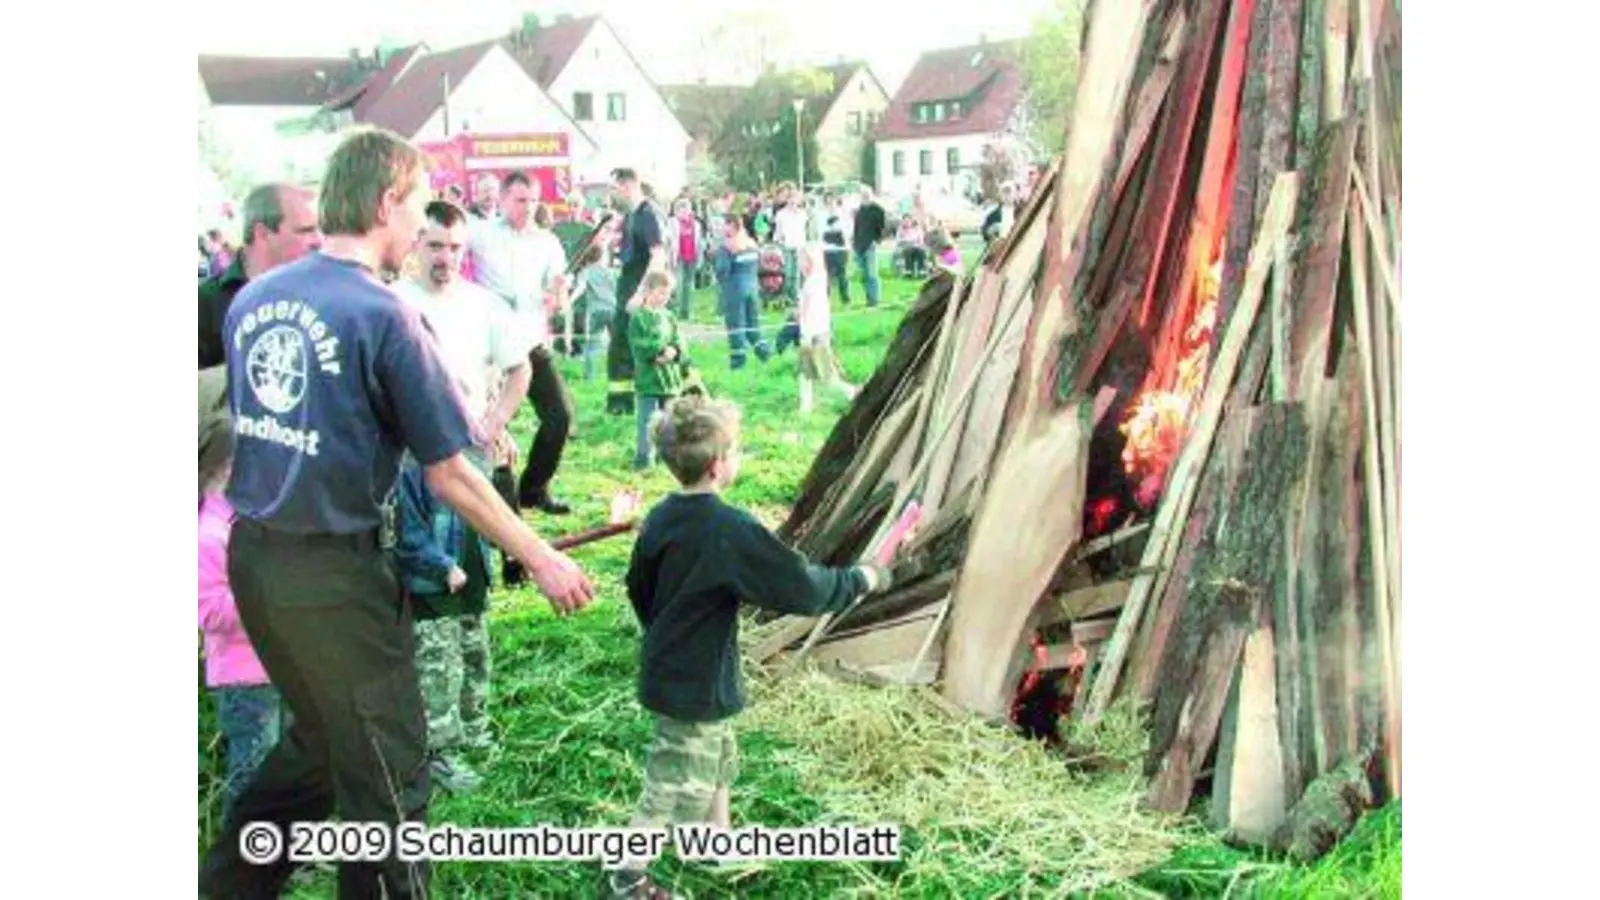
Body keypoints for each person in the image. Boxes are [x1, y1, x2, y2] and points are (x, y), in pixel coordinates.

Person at [198, 127, 595, 900]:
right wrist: (540, 556)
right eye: (416, 210)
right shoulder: (385, 316)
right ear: (387, 203)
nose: (422, 232)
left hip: (256, 561)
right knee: (389, 779)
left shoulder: (254, 298)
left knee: (318, 748)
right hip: (334, 577)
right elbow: (451, 471)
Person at [607, 395, 895, 899]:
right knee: (673, 779)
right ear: (719, 466)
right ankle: (627, 877)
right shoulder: (729, 528)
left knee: (717, 754)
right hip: (689, 680)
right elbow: (801, 587)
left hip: (683, 666)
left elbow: (637, 586)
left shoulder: (661, 517)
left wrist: (667, 632)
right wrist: (862, 579)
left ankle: (714, 844)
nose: (738, 457)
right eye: (736, 450)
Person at [468, 171, 575, 515]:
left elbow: (559, 299)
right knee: (498, 429)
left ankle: (534, 488)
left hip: (530, 340)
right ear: (502, 200)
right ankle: (503, 506)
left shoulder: (548, 243)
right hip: (490, 347)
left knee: (559, 415)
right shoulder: (481, 235)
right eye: (519, 200)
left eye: (532, 201)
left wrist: (558, 292)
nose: (527, 208)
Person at [199, 424, 284, 823]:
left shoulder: (243, 516)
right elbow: (210, 611)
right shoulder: (206, 533)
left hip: (274, 666)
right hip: (242, 678)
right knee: (253, 775)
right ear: (227, 466)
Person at [607, 167, 667, 416]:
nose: (612, 194)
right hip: (628, 281)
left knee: (644, 344)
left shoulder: (647, 213)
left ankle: (657, 400)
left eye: (614, 188)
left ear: (628, 185)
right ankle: (621, 403)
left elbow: (658, 255)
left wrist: (642, 294)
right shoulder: (631, 215)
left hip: (640, 285)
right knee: (621, 344)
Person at [628, 271, 689, 471]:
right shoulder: (639, 318)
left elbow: (679, 340)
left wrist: (675, 350)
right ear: (648, 291)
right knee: (647, 421)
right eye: (660, 293)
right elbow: (639, 344)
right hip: (648, 379)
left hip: (670, 380)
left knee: (669, 422)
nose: (664, 298)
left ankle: (668, 458)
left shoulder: (669, 317)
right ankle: (644, 459)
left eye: (667, 294)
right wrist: (658, 351)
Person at [796, 243, 857, 413]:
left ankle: (852, 392)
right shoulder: (816, 278)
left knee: (827, 375)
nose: (800, 264)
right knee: (805, 372)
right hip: (812, 332)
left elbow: (810, 310)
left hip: (814, 333)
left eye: (802, 260)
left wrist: (806, 331)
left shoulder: (814, 282)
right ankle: (805, 405)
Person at [713, 217, 771, 369]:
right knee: (753, 323)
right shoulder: (752, 244)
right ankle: (765, 353)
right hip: (752, 286)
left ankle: (738, 362)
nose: (722, 228)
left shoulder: (726, 247)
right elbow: (759, 264)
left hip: (734, 288)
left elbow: (722, 270)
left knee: (735, 324)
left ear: (731, 227)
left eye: (724, 225)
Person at [571, 243, 619, 382]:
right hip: (613, 309)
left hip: (596, 311)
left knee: (591, 345)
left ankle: (589, 378)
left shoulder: (586, 271)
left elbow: (580, 288)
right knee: (616, 344)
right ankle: (616, 375)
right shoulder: (610, 272)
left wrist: (568, 301)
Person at [851, 186, 889, 307]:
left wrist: (877, 241)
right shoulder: (859, 211)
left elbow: (883, 228)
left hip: (871, 245)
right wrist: (854, 242)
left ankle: (875, 299)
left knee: (872, 274)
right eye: (863, 195)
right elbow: (856, 229)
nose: (865, 197)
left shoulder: (878, 210)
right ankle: (869, 298)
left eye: (867, 194)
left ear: (871, 195)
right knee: (864, 275)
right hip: (859, 245)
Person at [773, 185, 807, 302]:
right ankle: (787, 294)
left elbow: (805, 230)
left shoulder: (802, 214)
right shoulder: (781, 214)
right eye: (790, 199)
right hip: (786, 246)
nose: (793, 201)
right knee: (788, 272)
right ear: (787, 200)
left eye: (795, 199)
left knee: (797, 273)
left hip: (799, 245)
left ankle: (796, 296)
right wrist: (777, 241)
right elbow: (778, 231)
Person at [670, 198, 702, 319]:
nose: (684, 213)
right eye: (681, 210)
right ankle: (673, 309)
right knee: (676, 284)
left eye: (686, 210)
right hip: (677, 257)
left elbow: (699, 242)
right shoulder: (672, 223)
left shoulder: (696, 224)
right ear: (676, 211)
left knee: (688, 285)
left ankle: (685, 312)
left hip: (692, 257)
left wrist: (700, 256)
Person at [820, 193, 852, 305]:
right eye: (828, 202)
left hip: (841, 249)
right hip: (827, 249)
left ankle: (846, 299)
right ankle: (825, 299)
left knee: (842, 275)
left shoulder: (843, 214)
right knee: (827, 275)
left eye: (832, 202)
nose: (830, 205)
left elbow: (847, 230)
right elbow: (820, 231)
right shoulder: (821, 214)